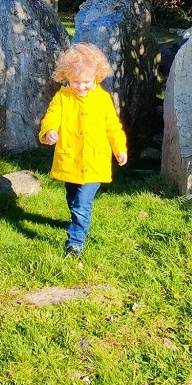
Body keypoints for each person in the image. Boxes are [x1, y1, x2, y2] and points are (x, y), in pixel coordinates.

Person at [39, 43, 127, 257]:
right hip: (71, 159)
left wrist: (119, 148)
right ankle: (77, 221)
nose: (80, 87)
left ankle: (75, 242)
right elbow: (51, 117)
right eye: (75, 82)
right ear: (66, 77)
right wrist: (49, 131)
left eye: (86, 82)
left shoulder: (102, 99)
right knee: (72, 199)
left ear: (97, 76)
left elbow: (112, 126)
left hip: (95, 161)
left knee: (81, 203)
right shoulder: (62, 97)